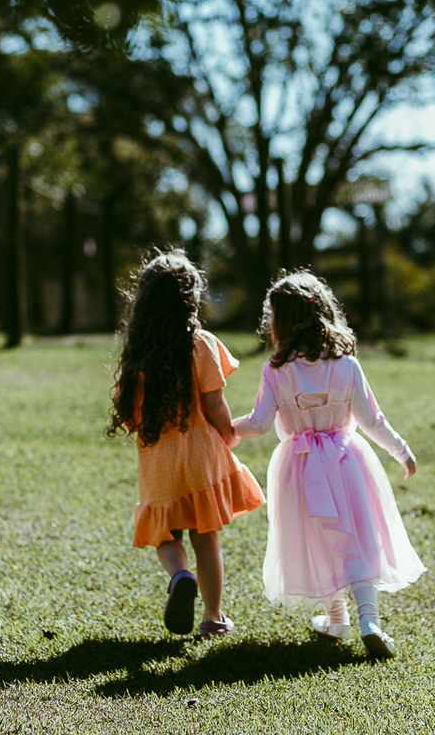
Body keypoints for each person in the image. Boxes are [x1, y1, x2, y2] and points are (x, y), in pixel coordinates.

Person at [232, 270, 424, 659]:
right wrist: (402, 451)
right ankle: (367, 620)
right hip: (345, 460)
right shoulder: (346, 365)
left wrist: (225, 430)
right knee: (355, 537)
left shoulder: (276, 369)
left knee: (320, 540)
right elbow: (373, 421)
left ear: (281, 322)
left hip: (299, 468)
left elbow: (258, 424)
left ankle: (337, 618)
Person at [107, 250, 265, 638]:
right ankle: (213, 618)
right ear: (190, 298)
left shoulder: (136, 354)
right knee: (205, 537)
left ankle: (180, 575)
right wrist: (228, 434)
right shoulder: (201, 344)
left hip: (158, 461)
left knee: (166, 534)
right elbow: (214, 402)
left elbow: (129, 410)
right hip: (200, 456)